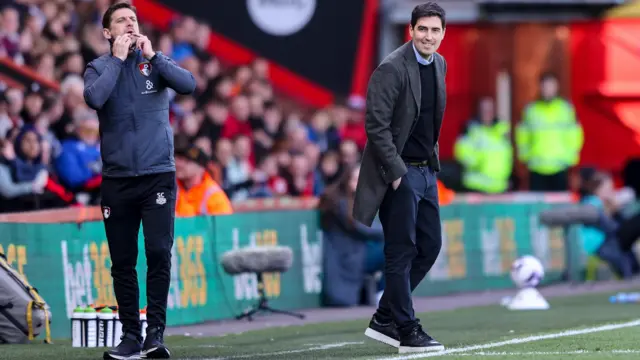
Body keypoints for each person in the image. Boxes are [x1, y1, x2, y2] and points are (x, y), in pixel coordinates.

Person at [82, 3, 196, 359]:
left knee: (159, 252)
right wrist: (116, 60)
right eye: (121, 20)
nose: (129, 24)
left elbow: (188, 85)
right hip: (118, 180)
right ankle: (131, 335)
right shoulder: (98, 68)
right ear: (107, 33)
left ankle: (155, 336)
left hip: (157, 174)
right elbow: (94, 98)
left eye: (132, 19)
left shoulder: (155, 64)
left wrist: (156, 56)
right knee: (123, 261)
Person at [352, 2, 447, 354]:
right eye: (422, 29)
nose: (428, 36)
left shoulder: (440, 64)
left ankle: (384, 316)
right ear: (411, 31)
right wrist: (396, 173)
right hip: (399, 172)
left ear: (443, 34)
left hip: (426, 170)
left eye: (435, 30)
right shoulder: (391, 68)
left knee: (430, 245)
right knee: (400, 251)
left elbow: (429, 119)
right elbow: (375, 126)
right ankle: (406, 329)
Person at [319, 165, 385, 307]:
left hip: (358, 254)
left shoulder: (357, 199)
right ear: (346, 180)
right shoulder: (338, 201)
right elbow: (364, 229)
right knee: (395, 248)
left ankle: (383, 291)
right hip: (347, 258)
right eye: (355, 179)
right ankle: (382, 294)